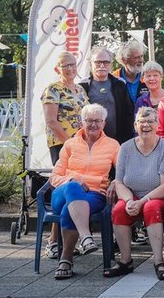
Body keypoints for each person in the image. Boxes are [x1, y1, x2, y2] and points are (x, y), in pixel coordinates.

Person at [104, 107, 164, 280]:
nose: (146, 125)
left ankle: (159, 262)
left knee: (151, 207)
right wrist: (129, 201)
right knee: (119, 209)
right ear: (135, 125)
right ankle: (125, 261)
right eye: (142, 122)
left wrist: (142, 201)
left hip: (160, 197)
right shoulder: (125, 148)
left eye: (150, 121)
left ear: (157, 125)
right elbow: (119, 182)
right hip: (132, 195)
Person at [49, 104, 119, 279]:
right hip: (63, 192)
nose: (93, 124)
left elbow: (123, 172)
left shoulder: (112, 145)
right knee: (73, 186)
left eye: (98, 121)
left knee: (69, 210)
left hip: (95, 194)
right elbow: (55, 177)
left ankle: (66, 260)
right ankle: (85, 236)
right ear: (82, 122)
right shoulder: (70, 144)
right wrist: (73, 180)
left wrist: (115, 182)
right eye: (89, 120)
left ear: (104, 123)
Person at [42, 51, 90, 259]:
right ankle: (53, 240)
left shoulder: (80, 89)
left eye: (72, 64)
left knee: (77, 188)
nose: (70, 69)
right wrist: (70, 143)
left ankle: (69, 238)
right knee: (62, 187)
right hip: (62, 146)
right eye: (65, 66)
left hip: (81, 146)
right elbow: (51, 121)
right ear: (57, 69)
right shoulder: (53, 89)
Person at [80, 46, 134, 144]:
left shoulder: (120, 84)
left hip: (116, 140)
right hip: (90, 141)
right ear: (90, 63)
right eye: (97, 62)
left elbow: (128, 113)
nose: (102, 66)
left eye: (106, 62)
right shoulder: (82, 86)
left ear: (111, 64)